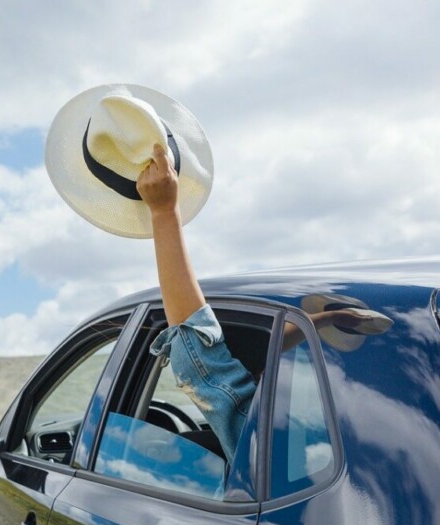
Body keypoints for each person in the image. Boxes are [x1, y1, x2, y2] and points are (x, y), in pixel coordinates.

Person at [136, 144, 371, 461]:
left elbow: (198, 352)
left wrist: (163, 213)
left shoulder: (267, 446)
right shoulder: (356, 435)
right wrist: (324, 319)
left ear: (257, 376)